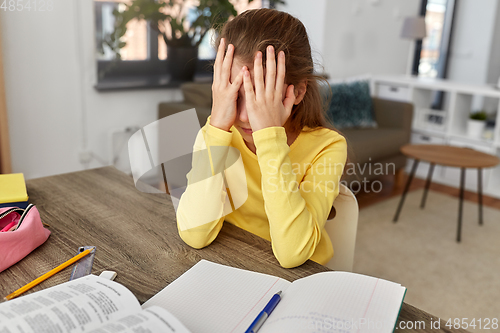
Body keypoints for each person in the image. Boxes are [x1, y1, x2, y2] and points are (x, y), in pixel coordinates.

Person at [175, 8, 347, 268]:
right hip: (237, 261)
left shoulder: (328, 147)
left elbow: (292, 254)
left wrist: (269, 138)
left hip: (302, 276)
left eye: (259, 96)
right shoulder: (218, 134)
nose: (243, 116)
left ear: (298, 93)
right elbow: (195, 234)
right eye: (234, 94)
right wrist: (218, 127)